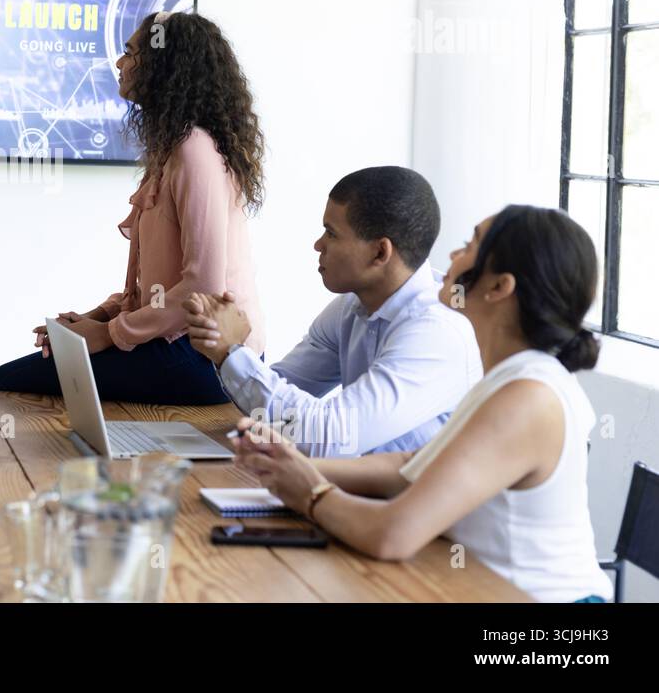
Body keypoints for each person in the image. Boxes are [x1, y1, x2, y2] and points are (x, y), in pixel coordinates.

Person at [230, 205, 614, 603]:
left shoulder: (527, 397)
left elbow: (393, 534)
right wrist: (286, 465)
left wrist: (311, 492)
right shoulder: (512, 378)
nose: (452, 255)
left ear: (500, 287)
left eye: (469, 245)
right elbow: (412, 466)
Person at [0, 10, 266, 405]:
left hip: (208, 357)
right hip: (180, 344)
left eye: (131, 53)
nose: (119, 63)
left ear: (166, 65)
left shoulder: (194, 150)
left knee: (7, 381)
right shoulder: (173, 149)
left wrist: (107, 334)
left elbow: (202, 288)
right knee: (13, 379)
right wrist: (98, 317)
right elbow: (159, 289)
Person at [184, 166, 481, 456]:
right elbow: (273, 405)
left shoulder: (437, 331)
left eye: (331, 233)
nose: (318, 244)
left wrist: (233, 353)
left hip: (407, 491)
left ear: (380, 252)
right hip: (354, 484)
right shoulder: (351, 306)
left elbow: (331, 436)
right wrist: (222, 345)